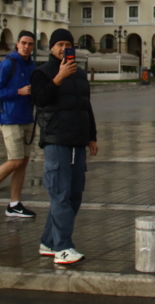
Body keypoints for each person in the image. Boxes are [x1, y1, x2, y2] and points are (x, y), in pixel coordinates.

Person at [32, 28, 98, 266]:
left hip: (77, 141)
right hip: (56, 140)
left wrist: (91, 136)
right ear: (51, 48)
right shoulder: (42, 72)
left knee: (74, 194)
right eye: (59, 44)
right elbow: (39, 100)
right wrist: (58, 78)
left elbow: (85, 106)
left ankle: (48, 242)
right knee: (59, 194)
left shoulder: (79, 75)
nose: (63, 48)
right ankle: (63, 247)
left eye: (68, 44)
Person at [0, 30, 37, 218]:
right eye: (23, 43)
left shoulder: (32, 66)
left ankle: (14, 204)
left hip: (27, 118)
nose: (26, 47)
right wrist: (18, 91)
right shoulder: (7, 64)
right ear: (17, 44)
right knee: (15, 160)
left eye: (30, 44)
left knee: (22, 163)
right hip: (9, 118)